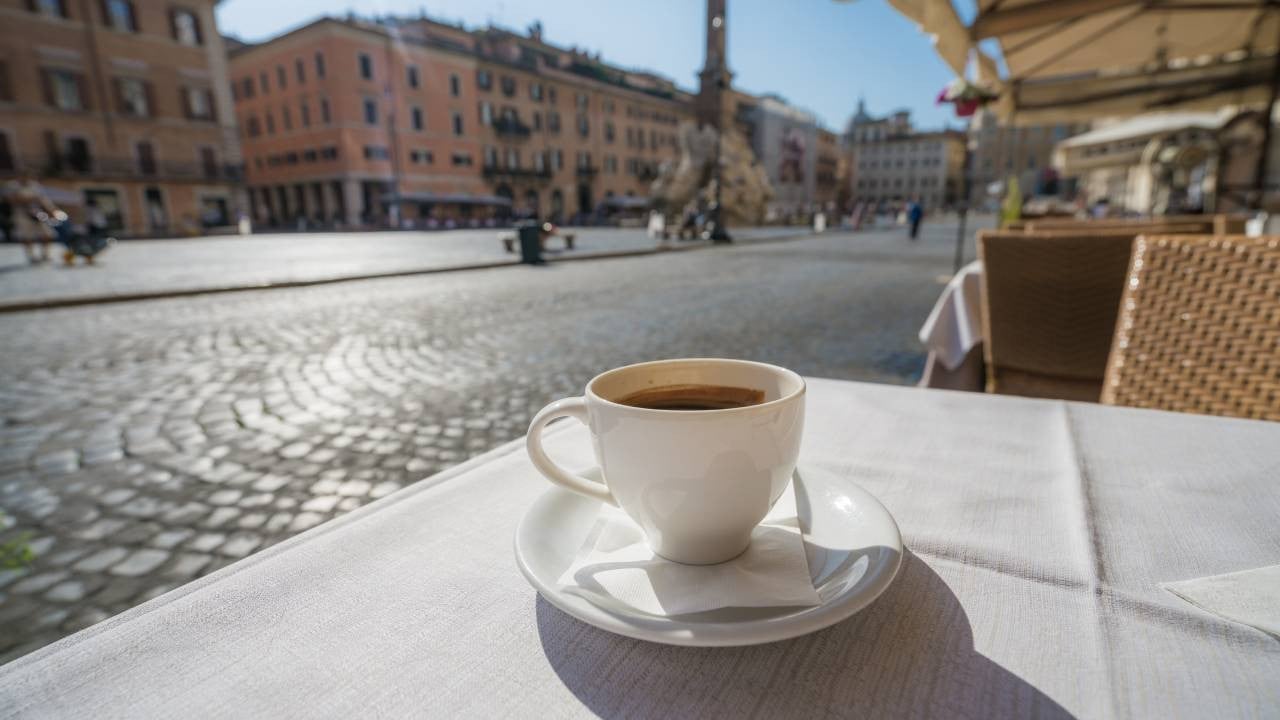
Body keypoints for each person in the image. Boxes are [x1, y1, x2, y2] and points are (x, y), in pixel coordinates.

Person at [3, 171, 57, 264]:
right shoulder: (12, 186)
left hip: (38, 213)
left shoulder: (34, 185)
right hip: (21, 214)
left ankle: (45, 255)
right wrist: (27, 199)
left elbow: (42, 199)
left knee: (47, 234)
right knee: (27, 236)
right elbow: (10, 199)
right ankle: (31, 256)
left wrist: (51, 210)